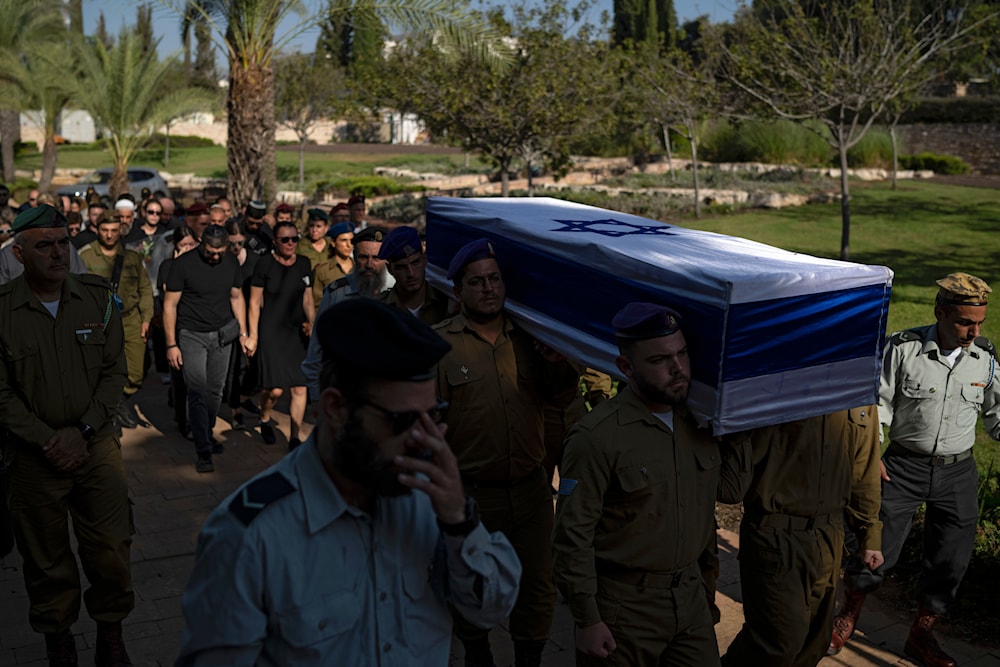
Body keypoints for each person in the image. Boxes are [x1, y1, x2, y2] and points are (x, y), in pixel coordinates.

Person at [176, 297, 521, 665]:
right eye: (402, 422)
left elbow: (489, 610)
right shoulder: (248, 535)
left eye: (432, 415)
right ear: (335, 409)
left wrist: (459, 521)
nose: (423, 440)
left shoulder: (425, 497)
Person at [552, 302, 752, 667]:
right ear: (626, 368)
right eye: (660, 360)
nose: (678, 369)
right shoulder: (596, 437)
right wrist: (587, 619)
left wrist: (736, 426)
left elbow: (730, 490)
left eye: (683, 353)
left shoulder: (699, 422)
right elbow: (571, 537)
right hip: (623, 609)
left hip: (690, 600)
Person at [829, 272, 1000, 667]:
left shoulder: (986, 359)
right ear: (940, 312)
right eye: (964, 322)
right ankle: (847, 615)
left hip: (958, 473)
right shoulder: (904, 350)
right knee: (872, 550)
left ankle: (922, 635)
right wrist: (870, 456)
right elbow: (876, 408)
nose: (972, 331)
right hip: (902, 468)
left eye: (979, 323)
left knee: (949, 559)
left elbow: (996, 415)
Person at [434, 238, 579, 667]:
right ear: (458, 292)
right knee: (472, 582)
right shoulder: (440, 348)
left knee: (537, 585)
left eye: (494, 279)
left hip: (532, 490)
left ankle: (529, 658)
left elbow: (560, 397)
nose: (488, 288)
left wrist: (556, 362)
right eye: (476, 282)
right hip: (473, 495)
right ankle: (478, 654)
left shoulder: (532, 339)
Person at [0, 205, 133, 666]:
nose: (58, 253)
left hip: (95, 448)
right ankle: (58, 641)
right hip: (34, 458)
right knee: (45, 559)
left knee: (111, 549)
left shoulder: (99, 297)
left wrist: (84, 431)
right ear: (18, 253)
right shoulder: (2, 312)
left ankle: (110, 635)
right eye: (44, 245)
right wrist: (48, 440)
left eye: (63, 242)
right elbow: (1, 394)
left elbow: (116, 371)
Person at [721, 407, 883, 667]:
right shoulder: (777, 380)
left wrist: (869, 532)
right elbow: (736, 477)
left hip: (829, 535)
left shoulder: (857, 389)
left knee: (814, 641)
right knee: (777, 642)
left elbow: (863, 468)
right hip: (774, 533)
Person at [163, 224, 250, 473]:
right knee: (197, 391)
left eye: (219, 251)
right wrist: (171, 344)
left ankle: (206, 432)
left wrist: (243, 333)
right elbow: (170, 306)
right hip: (192, 335)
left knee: (215, 391)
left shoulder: (231, 262)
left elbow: (236, 297)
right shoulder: (183, 265)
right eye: (210, 251)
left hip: (224, 335)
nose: (214, 256)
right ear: (201, 243)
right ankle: (203, 449)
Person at [78, 211, 154, 430]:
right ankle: (109, 413)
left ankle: (120, 398)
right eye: (105, 230)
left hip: (130, 319)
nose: (109, 235)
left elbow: (145, 289)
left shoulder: (132, 257)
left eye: (114, 230)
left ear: (121, 230)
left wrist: (146, 318)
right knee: (101, 369)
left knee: (137, 371)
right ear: (97, 229)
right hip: (99, 321)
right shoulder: (86, 256)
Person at [246, 219, 314, 449]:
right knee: (274, 389)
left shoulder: (304, 264)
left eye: (295, 239)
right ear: (275, 241)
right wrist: (252, 336)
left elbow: (307, 297)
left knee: (299, 386)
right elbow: (254, 302)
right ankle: (265, 416)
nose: (291, 243)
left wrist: (311, 321)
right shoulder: (264, 265)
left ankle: (295, 437)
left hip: (296, 333)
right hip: (271, 332)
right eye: (285, 239)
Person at [302, 226, 391, 399]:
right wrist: (316, 398)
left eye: (377, 258)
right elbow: (316, 352)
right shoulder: (337, 292)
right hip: (346, 395)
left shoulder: (399, 291)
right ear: (355, 258)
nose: (370, 265)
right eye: (363, 257)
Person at [157, 226, 199, 437]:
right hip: (176, 326)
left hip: (197, 326)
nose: (189, 249)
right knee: (180, 376)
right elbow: (167, 292)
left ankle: (191, 417)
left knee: (195, 378)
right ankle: (184, 421)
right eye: (184, 245)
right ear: (175, 246)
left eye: (192, 244)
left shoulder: (202, 264)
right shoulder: (168, 266)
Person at [222, 219, 261, 431]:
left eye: (239, 242)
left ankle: (244, 396)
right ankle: (235, 409)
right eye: (231, 243)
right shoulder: (224, 261)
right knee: (234, 367)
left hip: (254, 316)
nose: (236, 247)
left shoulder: (255, 260)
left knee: (256, 365)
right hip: (230, 318)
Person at [377, 225, 450, 325]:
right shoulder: (379, 308)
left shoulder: (446, 301)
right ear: (390, 269)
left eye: (415, 263)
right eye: (401, 267)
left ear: (424, 259)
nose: (410, 273)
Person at [311, 220, 354, 309]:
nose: (349, 245)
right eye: (344, 240)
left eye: (351, 240)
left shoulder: (359, 268)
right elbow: (317, 304)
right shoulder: (323, 270)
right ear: (333, 242)